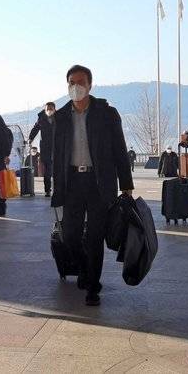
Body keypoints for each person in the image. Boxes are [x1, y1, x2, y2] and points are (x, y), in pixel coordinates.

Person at [51, 64, 133, 307]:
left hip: (99, 182)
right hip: (73, 182)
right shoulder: (61, 117)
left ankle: (92, 287)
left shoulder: (106, 113)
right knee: (70, 236)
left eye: (80, 82)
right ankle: (85, 271)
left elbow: (120, 149)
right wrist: (56, 188)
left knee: (95, 236)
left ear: (89, 85)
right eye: (71, 83)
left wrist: (126, 183)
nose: (75, 87)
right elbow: (57, 156)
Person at [28, 102, 56, 197]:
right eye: (47, 109)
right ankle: (47, 190)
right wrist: (30, 138)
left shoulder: (59, 118)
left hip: (57, 148)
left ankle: (58, 190)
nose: (49, 110)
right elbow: (35, 128)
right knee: (47, 171)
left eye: (51, 108)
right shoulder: (42, 119)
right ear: (45, 110)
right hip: (46, 148)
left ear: (54, 109)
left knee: (57, 171)